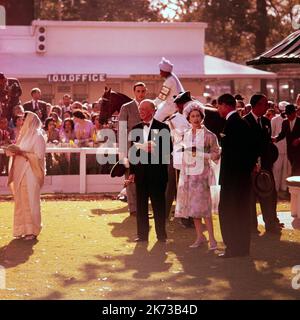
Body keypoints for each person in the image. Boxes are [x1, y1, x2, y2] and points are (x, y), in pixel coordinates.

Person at [175, 101, 220, 250]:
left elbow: (216, 155)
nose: (195, 118)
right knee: (193, 209)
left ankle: (212, 239)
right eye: (192, 116)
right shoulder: (186, 135)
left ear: (202, 117)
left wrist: (200, 154)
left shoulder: (209, 135)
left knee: (205, 209)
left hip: (203, 176)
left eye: (197, 115)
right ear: (188, 118)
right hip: (189, 175)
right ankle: (200, 237)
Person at [217, 94, 256, 258]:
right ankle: (241, 248)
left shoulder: (233, 124)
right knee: (241, 212)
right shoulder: (241, 123)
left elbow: (233, 153)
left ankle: (233, 247)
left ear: (225, 105)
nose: (218, 109)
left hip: (233, 180)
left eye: (219, 106)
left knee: (229, 212)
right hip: (241, 179)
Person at [128, 99, 172, 242]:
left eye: (144, 109)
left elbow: (168, 151)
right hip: (140, 174)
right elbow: (132, 152)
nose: (140, 111)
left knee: (159, 206)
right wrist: (132, 173)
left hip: (157, 175)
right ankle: (142, 235)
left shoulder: (163, 128)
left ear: (152, 111)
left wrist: (153, 148)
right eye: (140, 109)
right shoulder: (135, 128)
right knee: (141, 207)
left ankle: (161, 235)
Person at [244, 94, 282, 234]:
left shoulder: (266, 121)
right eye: (264, 104)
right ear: (256, 105)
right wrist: (252, 163)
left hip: (266, 166)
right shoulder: (245, 121)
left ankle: (271, 224)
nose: (267, 107)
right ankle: (252, 227)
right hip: (251, 168)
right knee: (250, 198)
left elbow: (266, 145)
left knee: (269, 195)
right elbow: (245, 147)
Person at [6, 111, 46, 240]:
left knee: (31, 200)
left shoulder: (38, 136)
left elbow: (39, 157)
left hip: (31, 172)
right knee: (21, 200)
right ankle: (21, 229)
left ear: (31, 120)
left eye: (25, 119)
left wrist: (22, 153)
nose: (22, 122)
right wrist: (12, 150)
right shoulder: (23, 135)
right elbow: (19, 150)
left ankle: (32, 231)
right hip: (20, 172)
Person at [118, 82, 146, 216]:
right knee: (130, 178)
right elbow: (122, 130)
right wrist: (122, 153)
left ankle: (143, 208)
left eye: (143, 91)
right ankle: (133, 209)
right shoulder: (126, 107)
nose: (141, 93)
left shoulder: (150, 106)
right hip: (130, 148)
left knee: (145, 179)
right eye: (138, 91)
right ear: (134, 92)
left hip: (147, 149)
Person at [154, 57, 184, 122]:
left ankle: (154, 132)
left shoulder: (169, 81)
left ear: (165, 71)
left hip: (171, 106)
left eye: (161, 71)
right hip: (172, 105)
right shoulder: (172, 78)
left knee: (155, 120)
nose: (160, 73)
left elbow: (162, 97)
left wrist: (152, 103)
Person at [273, 104, 300, 176]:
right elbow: (282, 134)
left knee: (296, 169)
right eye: (287, 114)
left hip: (299, 151)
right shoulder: (285, 122)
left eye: (289, 114)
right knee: (294, 168)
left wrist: (299, 140)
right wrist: (275, 139)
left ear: (294, 113)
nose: (287, 116)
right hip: (290, 151)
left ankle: (295, 186)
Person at [271, 101, 290, 193]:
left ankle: (284, 189)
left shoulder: (290, 119)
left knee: (286, 171)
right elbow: (272, 134)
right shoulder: (274, 120)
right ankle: (275, 189)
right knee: (277, 170)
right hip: (277, 149)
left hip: (288, 149)